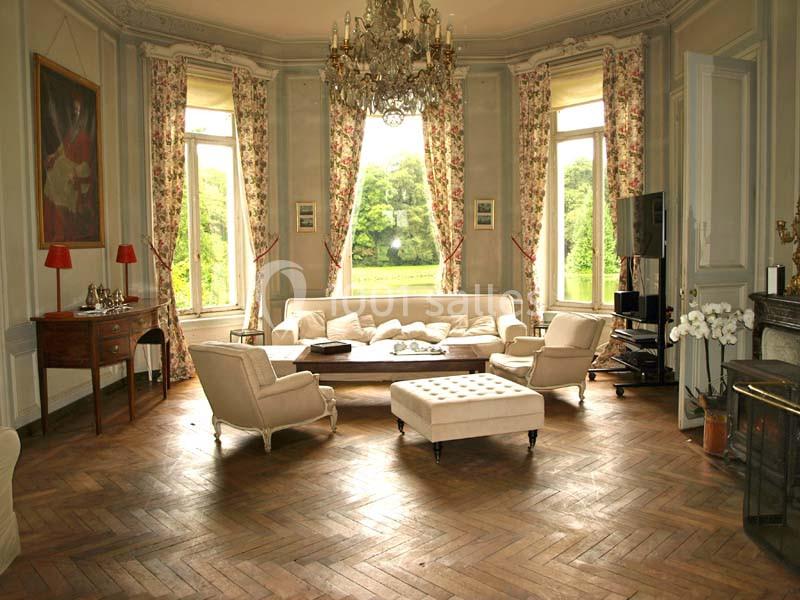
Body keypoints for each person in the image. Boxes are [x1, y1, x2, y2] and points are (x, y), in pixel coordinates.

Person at [42, 89, 96, 242]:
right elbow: (62, 148)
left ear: (82, 114)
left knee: (61, 187)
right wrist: (53, 156)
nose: (75, 114)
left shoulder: (84, 136)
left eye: (78, 111)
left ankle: (61, 231)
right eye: (73, 110)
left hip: (73, 173)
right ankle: (52, 230)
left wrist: (75, 174)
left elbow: (86, 164)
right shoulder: (70, 132)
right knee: (52, 180)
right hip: (62, 169)